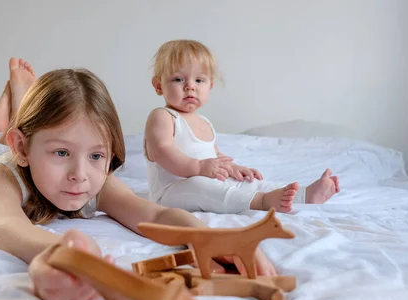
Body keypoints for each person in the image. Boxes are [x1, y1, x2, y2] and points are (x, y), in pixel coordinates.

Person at [0, 57, 278, 300]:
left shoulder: (93, 181)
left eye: (96, 156)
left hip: (21, 144)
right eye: (62, 153)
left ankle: (17, 111)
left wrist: (209, 237)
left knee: (47, 146)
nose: (79, 175)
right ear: (23, 149)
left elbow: (153, 213)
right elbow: (3, 225)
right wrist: (54, 254)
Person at [144, 40, 341, 214]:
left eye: (199, 80)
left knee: (246, 182)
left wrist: (232, 169)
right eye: (178, 79)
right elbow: (162, 151)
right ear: (158, 85)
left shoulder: (204, 122)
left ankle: (304, 195)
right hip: (170, 193)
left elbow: (215, 158)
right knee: (200, 185)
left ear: (209, 86)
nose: (190, 86)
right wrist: (199, 167)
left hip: (203, 181)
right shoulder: (163, 116)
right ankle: (261, 202)